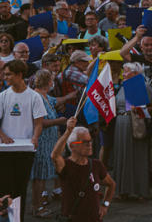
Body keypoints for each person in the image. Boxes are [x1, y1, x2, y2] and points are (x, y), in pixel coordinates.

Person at [0, 59, 45, 219]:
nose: (5, 77)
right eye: (4, 74)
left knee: (20, 187)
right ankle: (6, 217)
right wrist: (3, 135)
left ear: (19, 75)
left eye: (8, 74)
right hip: (5, 151)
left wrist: (35, 137)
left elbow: (38, 122)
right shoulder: (3, 96)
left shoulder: (34, 97)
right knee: (5, 187)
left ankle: (16, 218)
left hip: (25, 149)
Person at [50, 117, 115, 222]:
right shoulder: (66, 165)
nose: (89, 144)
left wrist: (105, 205)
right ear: (72, 146)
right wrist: (68, 131)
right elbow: (55, 155)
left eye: (90, 141)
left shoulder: (96, 164)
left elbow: (111, 184)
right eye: (85, 142)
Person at [112, 61, 152, 199]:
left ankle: (140, 190)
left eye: (126, 72)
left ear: (136, 73)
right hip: (120, 123)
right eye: (123, 71)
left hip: (135, 124)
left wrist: (141, 111)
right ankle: (123, 190)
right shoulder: (123, 86)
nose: (123, 74)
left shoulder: (143, 86)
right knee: (122, 156)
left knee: (137, 156)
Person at [29, 69, 64, 218]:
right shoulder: (37, 97)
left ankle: (38, 205)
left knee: (42, 176)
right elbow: (40, 122)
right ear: (48, 82)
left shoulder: (45, 96)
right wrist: (59, 121)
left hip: (48, 142)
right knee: (40, 176)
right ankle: (37, 207)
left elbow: (57, 101)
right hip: (41, 142)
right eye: (52, 79)